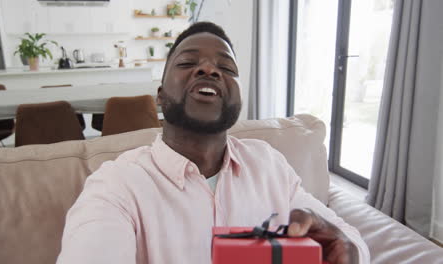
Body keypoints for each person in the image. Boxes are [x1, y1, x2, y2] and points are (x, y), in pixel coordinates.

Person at [57, 22, 370, 264]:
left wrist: (344, 248)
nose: (209, 69)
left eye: (227, 67)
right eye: (187, 62)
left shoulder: (268, 163)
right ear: (161, 96)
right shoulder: (117, 184)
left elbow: (351, 240)